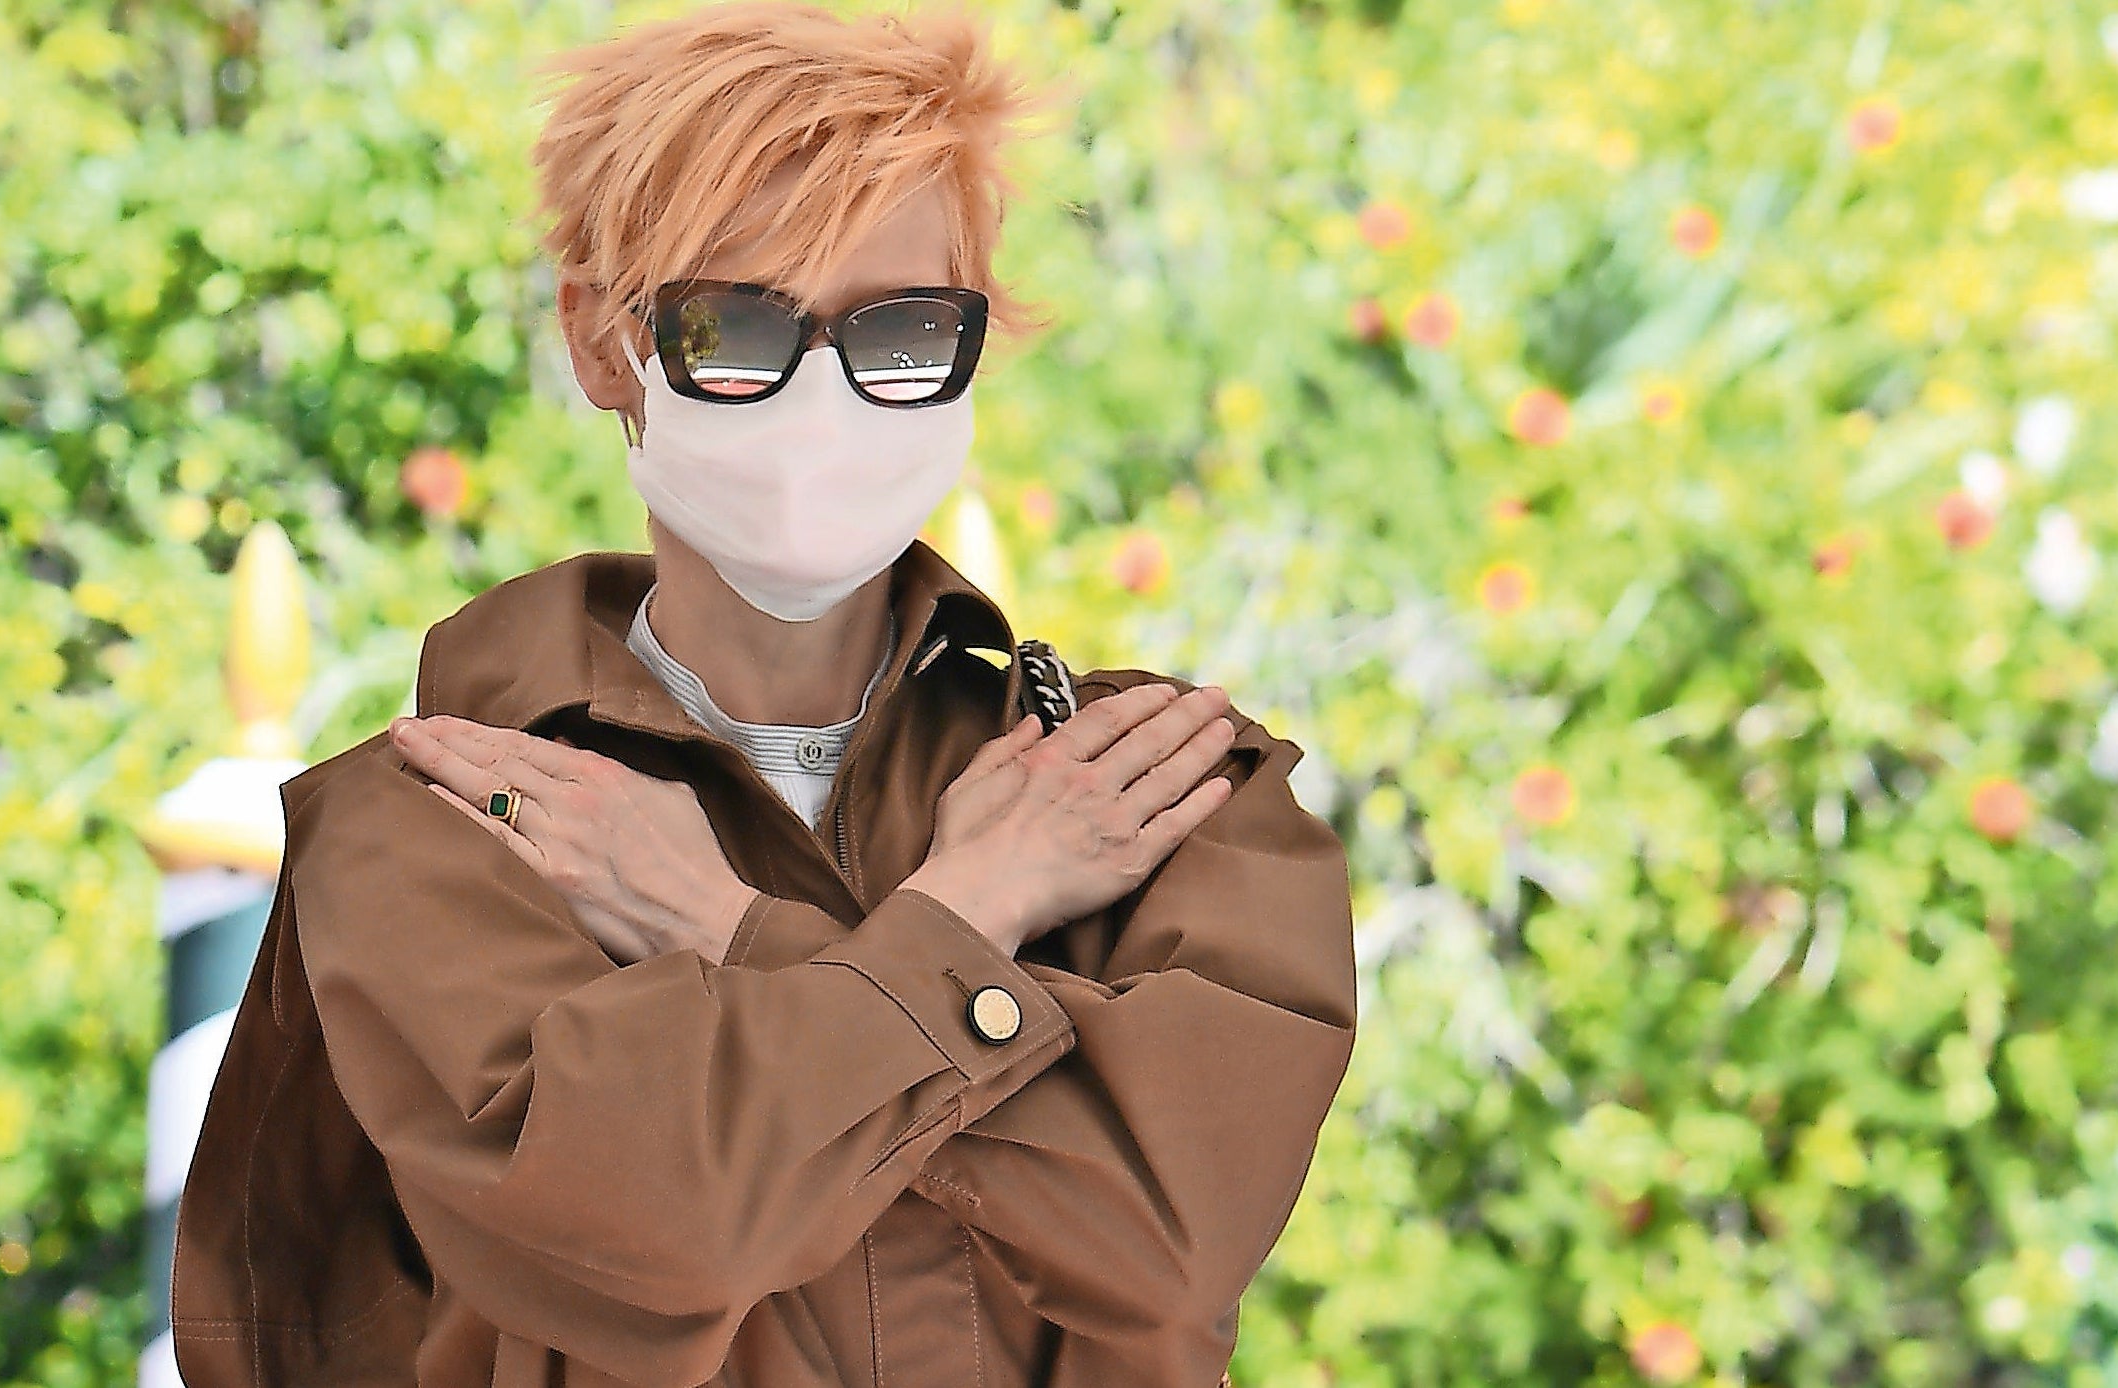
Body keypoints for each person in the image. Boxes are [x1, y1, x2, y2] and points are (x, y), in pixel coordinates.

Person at [168, 5, 1358, 1385]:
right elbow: (654, 1233)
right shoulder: (433, 826)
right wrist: (975, 910)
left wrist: (727, 929)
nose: (825, 398)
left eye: (902, 328)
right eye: (735, 323)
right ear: (601, 343)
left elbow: (1166, 1245)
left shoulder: (1158, 787)